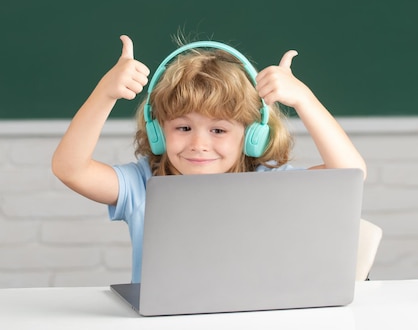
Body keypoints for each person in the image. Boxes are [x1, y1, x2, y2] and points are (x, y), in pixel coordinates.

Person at [52, 35, 366, 282]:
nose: (199, 144)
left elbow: (350, 176)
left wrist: (304, 99)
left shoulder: (270, 185)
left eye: (218, 130)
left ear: (252, 137)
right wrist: (105, 93)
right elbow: (70, 169)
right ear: (158, 131)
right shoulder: (142, 185)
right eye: (183, 127)